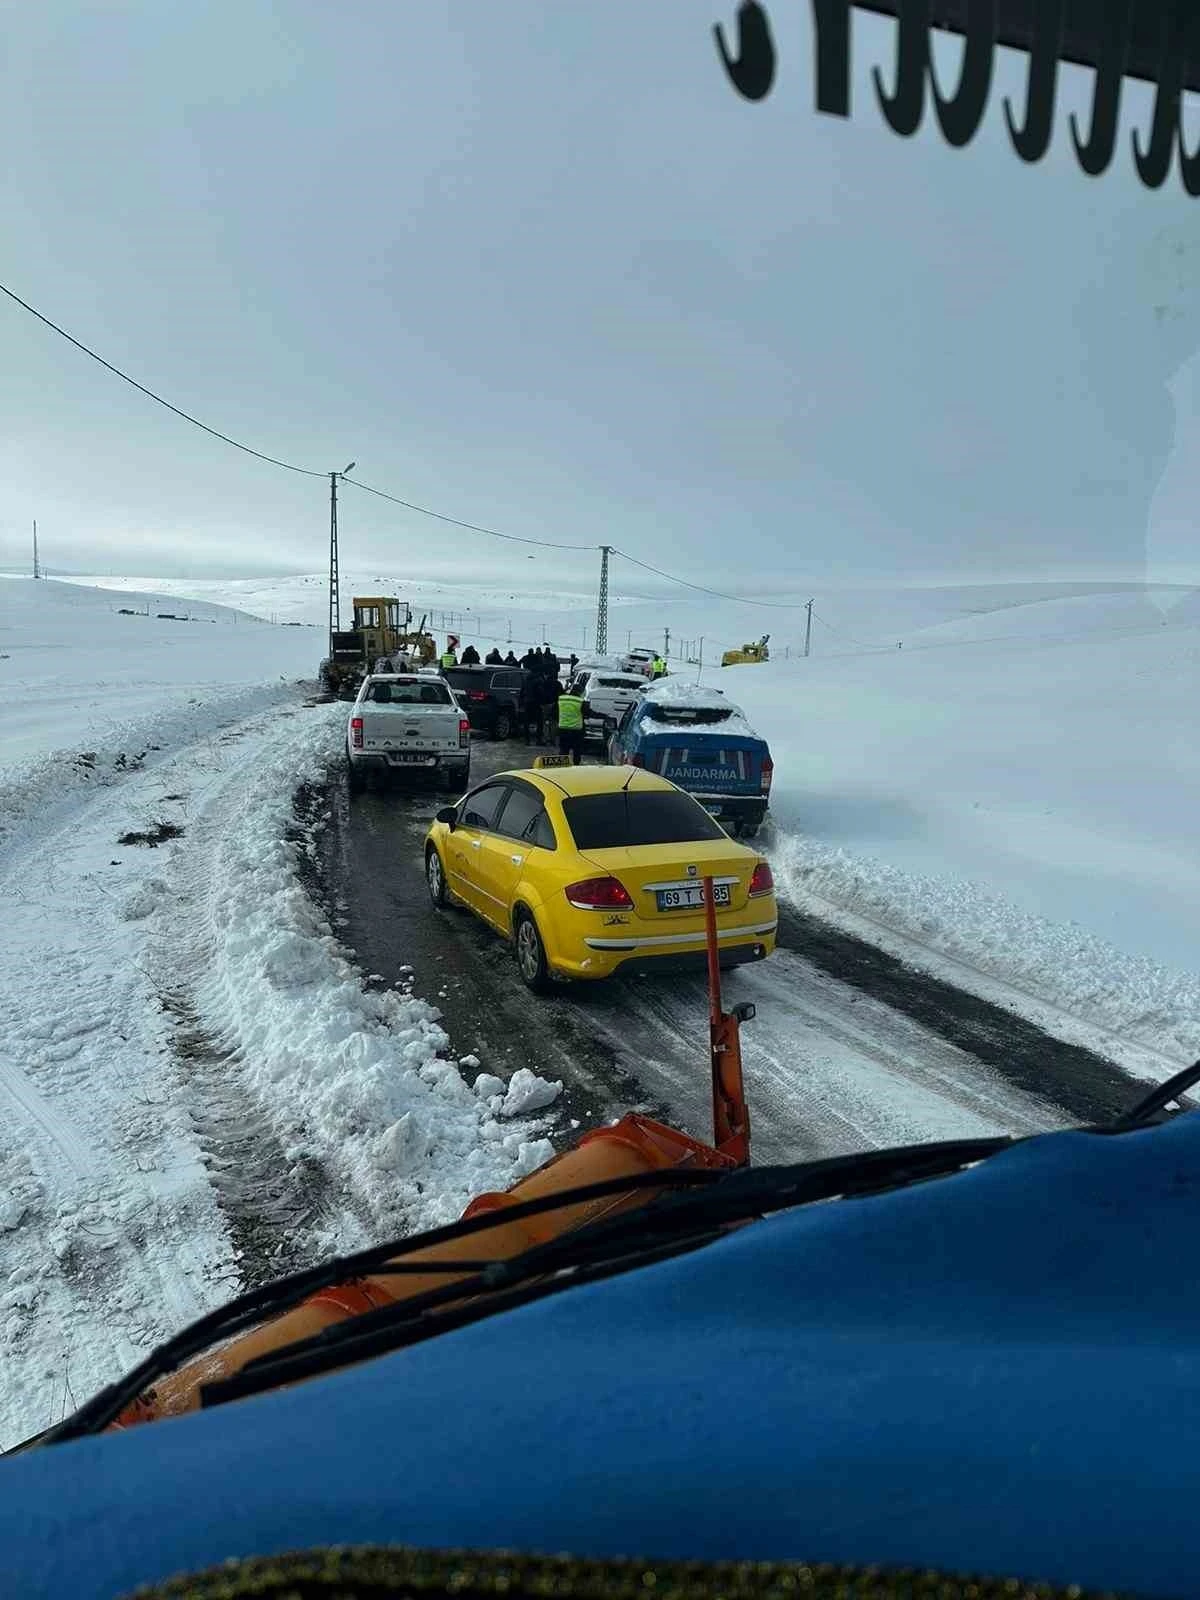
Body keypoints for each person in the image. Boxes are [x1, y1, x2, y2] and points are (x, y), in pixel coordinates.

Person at [556, 682, 587, 765]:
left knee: (563, 751)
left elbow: (555, 712)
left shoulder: (561, 699)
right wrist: (603, 716)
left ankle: (562, 768)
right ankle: (575, 769)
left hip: (563, 730)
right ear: (580, 692)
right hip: (576, 732)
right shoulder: (581, 702)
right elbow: (588, 713)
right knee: (577, 752)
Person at [519, 671, 546, 743]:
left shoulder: (526, 681)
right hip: (536, 703)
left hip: (527, 702)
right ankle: (539, 739)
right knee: (539, 721)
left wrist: (522, 702)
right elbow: (540, 692)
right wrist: (542, 701)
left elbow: (521, 693)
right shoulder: (539, 681)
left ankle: (527, 740)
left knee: (526, 722)